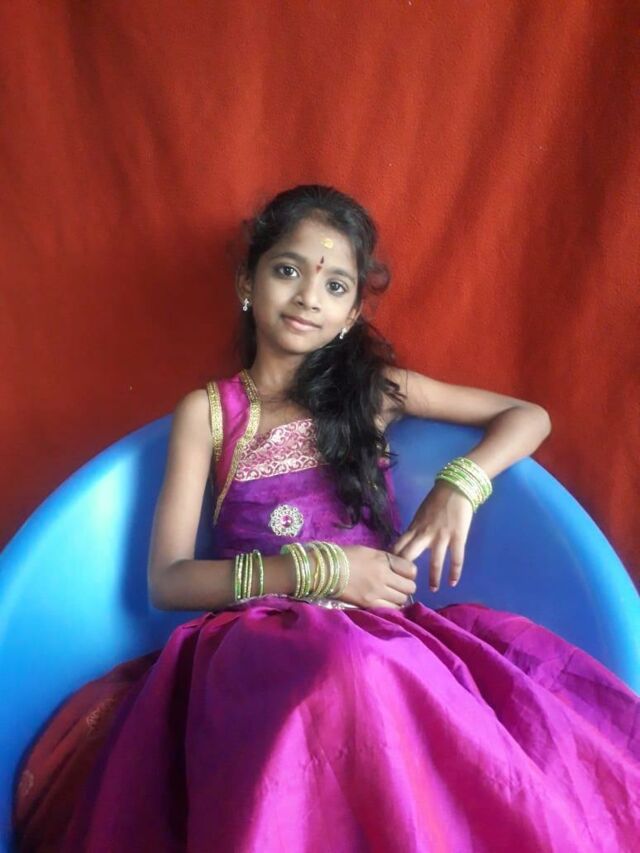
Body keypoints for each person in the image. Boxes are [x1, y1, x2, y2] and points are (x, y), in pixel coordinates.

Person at [13, 184, 640, 852]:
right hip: (253, 650)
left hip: (386, 642)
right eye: (288, 270)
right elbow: (168, 580)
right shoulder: (210, 414)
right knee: (340, 668)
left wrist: (461, 483)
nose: (309, 297)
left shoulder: (374, 394)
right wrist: (323, 569)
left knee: (387, 680)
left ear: (350, 313)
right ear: (248, 282)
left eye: (335, 285)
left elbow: (527, 416)